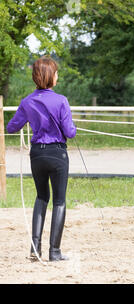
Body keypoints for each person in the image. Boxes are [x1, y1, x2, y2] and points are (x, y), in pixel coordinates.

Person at [7, 56, 77, 262]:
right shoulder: (61, 100)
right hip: (57, 154)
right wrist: (72, 127)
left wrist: (30, 119)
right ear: (50, 76)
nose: (57, 76)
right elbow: (70, 133)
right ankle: (54, 252)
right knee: (59, 201)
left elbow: (12, 127)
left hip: (37, 154)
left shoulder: (27, 101)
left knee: (41, 198)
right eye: (55, 73)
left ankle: (34, 249)